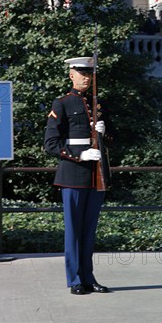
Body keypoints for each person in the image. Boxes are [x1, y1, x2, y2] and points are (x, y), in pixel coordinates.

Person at [44, 57, 110, 295]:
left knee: (89, 231)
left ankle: (88, 277)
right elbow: (51, 143)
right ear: (71, 74)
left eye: (89, 73)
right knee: (73, 231)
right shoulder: (61, 103)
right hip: (72, 174)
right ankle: (74, 280)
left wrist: (104, 134)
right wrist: (80, 155)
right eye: (81, 73)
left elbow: (111, 140)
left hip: (95, 176)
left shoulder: (98, 104)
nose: (86, 77)